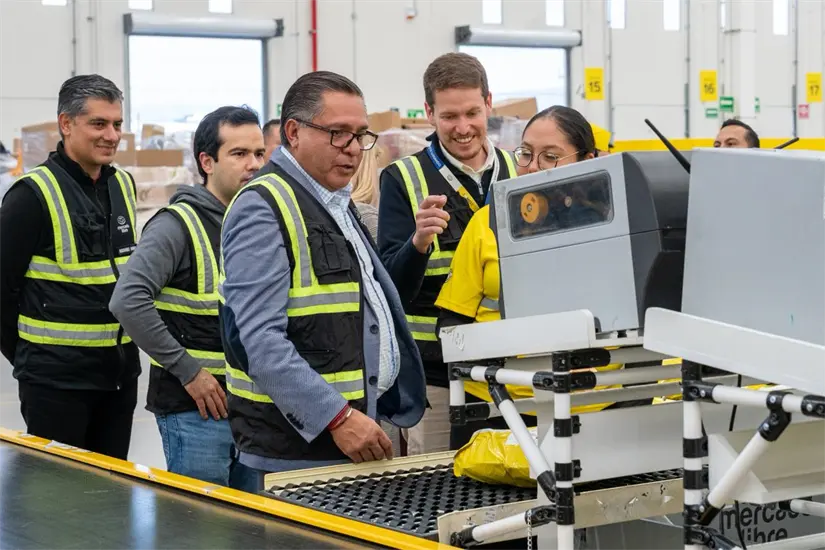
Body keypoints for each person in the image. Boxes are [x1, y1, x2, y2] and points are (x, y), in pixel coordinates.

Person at [219, 70, 427, 490]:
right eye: (337, 134)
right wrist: (337, 416)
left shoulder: (333, 201)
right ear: (293, 132)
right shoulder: (263, 208)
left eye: (360, 135)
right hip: (294, 455)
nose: (353, 150)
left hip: (349, 439)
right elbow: (258, 341)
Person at [436, 106, 624, 448]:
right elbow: (451, 324)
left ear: (589, 159)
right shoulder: (487, 223)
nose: (533, 166)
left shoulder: (615, 229)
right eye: (526, 153)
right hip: (498, 408)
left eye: (550, 156)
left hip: (594, 407)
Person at [109, 106, 265, 486]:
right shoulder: (177, 225)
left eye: (260, 153)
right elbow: (127, 300)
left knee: (254, 528)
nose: (254, 164)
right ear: (207, 162)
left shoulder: (259, 221)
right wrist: (189, 372)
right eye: (239, 154)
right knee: (201, 529)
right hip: (196, 409)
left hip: (254, 406)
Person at [377, 52, 517, 455]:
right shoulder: (403, 179)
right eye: (449, 116)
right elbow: (391, 289)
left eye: (472, 112)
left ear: (489, 102)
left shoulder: (518, 174)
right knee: (439, 497)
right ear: (429, 112)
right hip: (436, 376)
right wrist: (417, 243)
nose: (463, 128)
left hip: (514, 369)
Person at [0, 74, 139, 459]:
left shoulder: (122, 185)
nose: (111, 135)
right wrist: (33, 360)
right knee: (57, 507)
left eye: (117, 125)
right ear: (66, 124)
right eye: (99, 124)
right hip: (56, 386)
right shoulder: (31, 196)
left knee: (112, 498)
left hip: (118, 378)